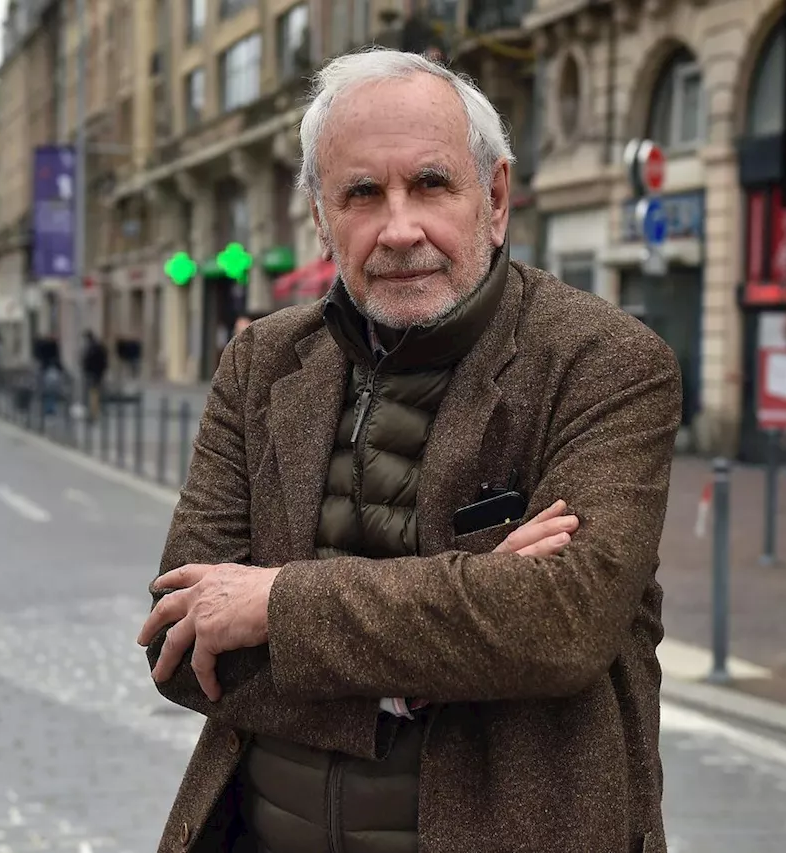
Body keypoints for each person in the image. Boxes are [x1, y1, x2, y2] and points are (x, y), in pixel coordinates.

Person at [137, 49, 681, 853]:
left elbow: (562, 624)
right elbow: (180, 642)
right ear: (321, 218)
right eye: (362, 193)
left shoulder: (603, 361)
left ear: (492, 199)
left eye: (431, 184)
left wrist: (273, 604)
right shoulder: (260, 363)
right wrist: (460, 632)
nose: (400, 229)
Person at [80, 330, 108, 422]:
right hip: (97, 374)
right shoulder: (99, 346)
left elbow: (87, 361)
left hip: (93, 374)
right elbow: (105, 361)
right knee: (94, 394)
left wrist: (86, 369)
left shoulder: (92, 348)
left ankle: (93, 414)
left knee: (93, 394)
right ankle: (94, 412)